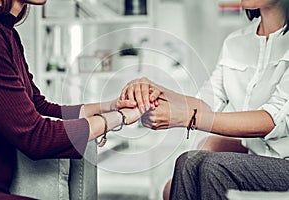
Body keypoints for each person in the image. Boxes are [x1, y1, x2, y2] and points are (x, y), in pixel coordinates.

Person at [119, 0, 289, 199]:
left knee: (213, 168)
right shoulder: (234, 42)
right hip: (255, 161)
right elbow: (207, 101)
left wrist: (187, 117)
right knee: (187, 162)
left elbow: (272, 120)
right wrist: (156, 92)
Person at [0, 0, 143, 199]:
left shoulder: (7, 32)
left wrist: (110, 106)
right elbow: (35, 137)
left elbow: (38, 105)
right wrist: (118, 117)